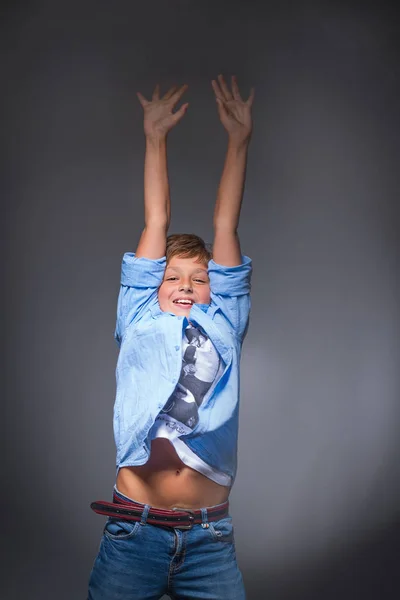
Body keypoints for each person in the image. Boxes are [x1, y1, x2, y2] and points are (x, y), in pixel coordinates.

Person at [87, 73, 255, 600]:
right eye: (172, 277)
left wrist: (238, 141)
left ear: (214, 290)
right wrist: (155, 138)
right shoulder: (138, 315)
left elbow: (225, 226)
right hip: (133, 531)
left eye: (199, 278)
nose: (186, 285)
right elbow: (155, 218)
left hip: (210, 537)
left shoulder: (224, 319)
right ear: (150, 286)